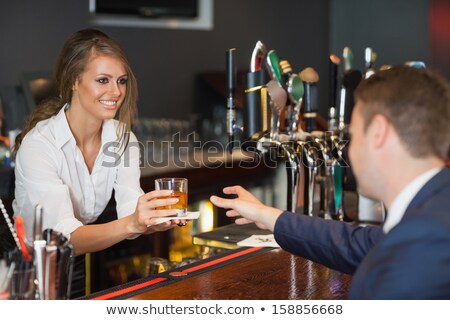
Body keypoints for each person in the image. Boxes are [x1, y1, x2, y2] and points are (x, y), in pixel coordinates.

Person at [210, 66, 450, 299]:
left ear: (379, 133)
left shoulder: (425, 239)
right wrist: (267, 215)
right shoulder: (432, 208)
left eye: (352, 136)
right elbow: (360, 245)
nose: (348, 151)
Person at [13, 29, 186, 256]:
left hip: (79, 255)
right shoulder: (39, 146)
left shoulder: (123, 138)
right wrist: (133, 223)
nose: (115, 92)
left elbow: (129, 210)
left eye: (121, 81)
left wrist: (154, 219)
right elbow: (64, 238)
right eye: (103, 80)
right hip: (30, 265)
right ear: (75, 81)